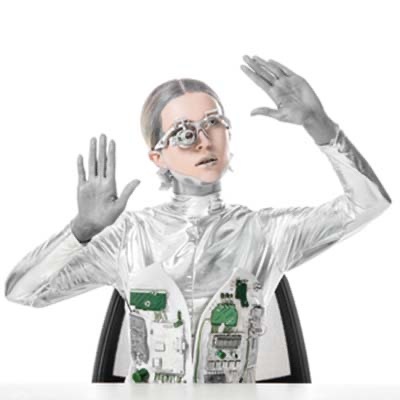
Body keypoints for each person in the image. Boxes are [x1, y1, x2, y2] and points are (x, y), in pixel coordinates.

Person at [4, 55, 392, 384]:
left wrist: (319, 125)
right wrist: (82, 230)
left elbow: (368, 204)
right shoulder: (131, 237)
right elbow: (22, 292)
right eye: (183, 133)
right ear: (158, 157)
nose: (203, 140)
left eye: (213, 123)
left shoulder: (265, 234)